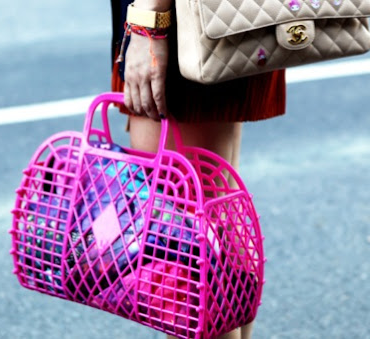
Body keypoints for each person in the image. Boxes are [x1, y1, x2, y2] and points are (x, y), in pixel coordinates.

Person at [109, 0, 286, 338]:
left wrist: (148, 24)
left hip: (177, 24)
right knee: (215, 219)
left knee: (179, 246)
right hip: (212, 17)